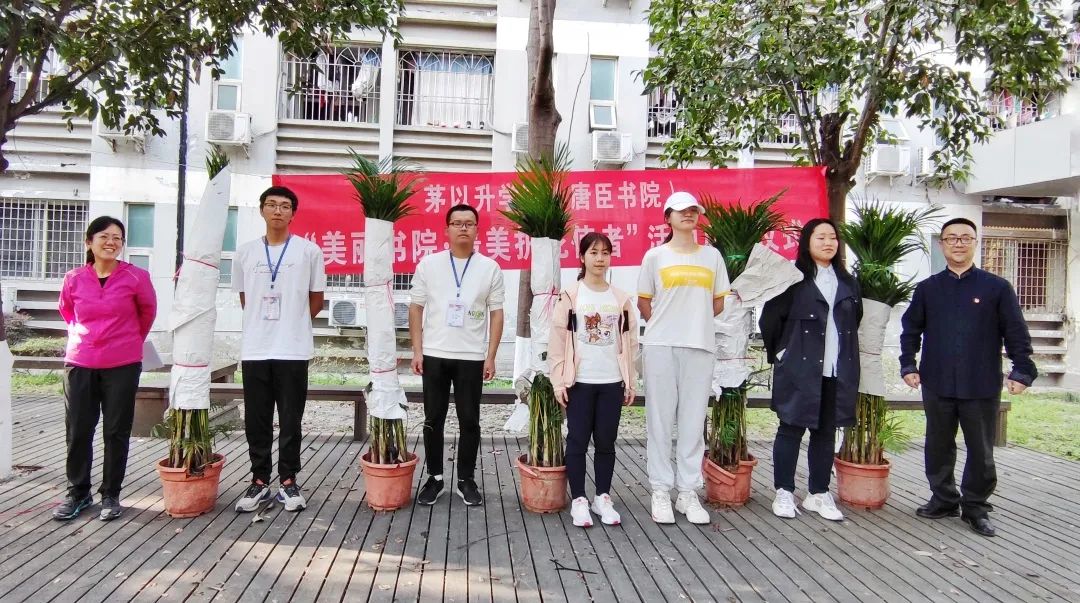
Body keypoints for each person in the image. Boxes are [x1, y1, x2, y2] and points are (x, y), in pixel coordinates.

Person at [900, 217, 1036, 538]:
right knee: (938, 444)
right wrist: (908, 365)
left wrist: (1022, 370)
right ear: (942, 244)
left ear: (976, 243)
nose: (958, 243)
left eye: (965, 237)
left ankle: (975, 506)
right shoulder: (928, 289)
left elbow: (1016, 332)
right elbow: (910, 330)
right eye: (951, 238)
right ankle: (944, 499)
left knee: (981, 449)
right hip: (937, 381)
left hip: (981, 382)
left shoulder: (997, 288)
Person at [54, 216, 157, 521]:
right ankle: (78, 493)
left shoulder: (136, 276)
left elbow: (147, 312)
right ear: (89, 242)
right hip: (80, 362)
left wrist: (126, 340)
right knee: (78, 430)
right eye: (104, 236)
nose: (111, 242)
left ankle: (111, 494)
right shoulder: (73, 278)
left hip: (122, 363)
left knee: (116, 431)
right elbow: (67, 311)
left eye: (117, 238)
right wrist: (87, 339)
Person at [759, 219, 861, 522]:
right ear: (807, 242)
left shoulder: (848, 282)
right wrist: (782, 353)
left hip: (835, 369)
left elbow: (854, 320)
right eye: (821, 237)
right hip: (798, 367)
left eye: (833, 237)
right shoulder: (791, 278)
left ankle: (818, 493)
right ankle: (784, 491)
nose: (828, 243)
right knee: (790, 428)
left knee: (825, 432)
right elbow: (770, 321)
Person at [637, 191, 729, 525]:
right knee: (660, 421)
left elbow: (718, 302)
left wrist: (694, 320)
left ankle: (688, 491)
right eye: (680, 211)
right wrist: (666, 323)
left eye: (693, 210)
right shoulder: (655, 256)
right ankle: (660, 490)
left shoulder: (712, 256)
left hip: (700, 346)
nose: (688, 215)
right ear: (668, 218)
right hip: (661, 346)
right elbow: (644, 302)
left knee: (692, 422)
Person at [233, 186, 326, 513]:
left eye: (285, 206)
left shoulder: (309, 251)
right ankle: (259, 480)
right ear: (261, 210)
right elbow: (245, 299)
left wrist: (293, 323)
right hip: (255, 349)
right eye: (271, 204)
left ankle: (288, 481)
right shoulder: (245, 253)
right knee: (256, 419)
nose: (277, 210)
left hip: (293, 349)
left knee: (290, 419)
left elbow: (317, 300)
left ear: (293, 213)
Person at [410, 204, 505, 506]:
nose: (463, 228)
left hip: (471, 356)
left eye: (469, 223)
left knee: (470, 420)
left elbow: (497, 313)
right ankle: (435, 478)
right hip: (434, 353)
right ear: (446, 229)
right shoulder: (429, 265)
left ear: (477, 230)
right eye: (457, 223)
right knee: (433, 418)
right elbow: (416, 308)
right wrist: (417, 350)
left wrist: (491, 355)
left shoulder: (489, 268)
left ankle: (466, 479)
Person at [549, 233, 639, 527]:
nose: (600, 259)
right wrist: (559, 381)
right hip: (580, 382)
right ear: (582, 257)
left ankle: (602, 497)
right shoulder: (571, 296)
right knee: (577, 440)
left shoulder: (621, 299)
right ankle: (579, 500)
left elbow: (631, 343)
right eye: (594, 252)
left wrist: (630, 380)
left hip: (612, 381)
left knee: (606, 441)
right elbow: (557, 341)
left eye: (605, 253)